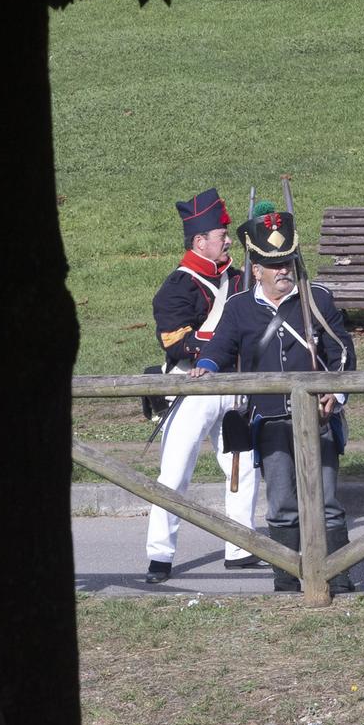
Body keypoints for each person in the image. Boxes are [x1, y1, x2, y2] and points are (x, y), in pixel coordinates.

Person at [191, 205, 358, 593]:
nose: (282, 270)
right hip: (268, 419)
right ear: (256, 269)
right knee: (282, 504)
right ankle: (287, 581)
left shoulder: (317, 300)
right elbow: (218, 348)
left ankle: (341, 578)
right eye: (273, 263)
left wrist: (335, 389)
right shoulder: (239, 308)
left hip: (318, 416)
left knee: (328, 502)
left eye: (286, 261)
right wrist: (208, 367)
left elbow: (343, 354)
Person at [144, 187, 262, 583]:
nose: (228, 239)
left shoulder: (237, 277)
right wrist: (228, 338)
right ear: (200, 241)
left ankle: (240, 547)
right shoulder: (178, 285)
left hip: (232, 385)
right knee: (175, 473)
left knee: (242, 467)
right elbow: (177, 342)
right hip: (192, 385)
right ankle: (160, 556)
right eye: (221, 235)